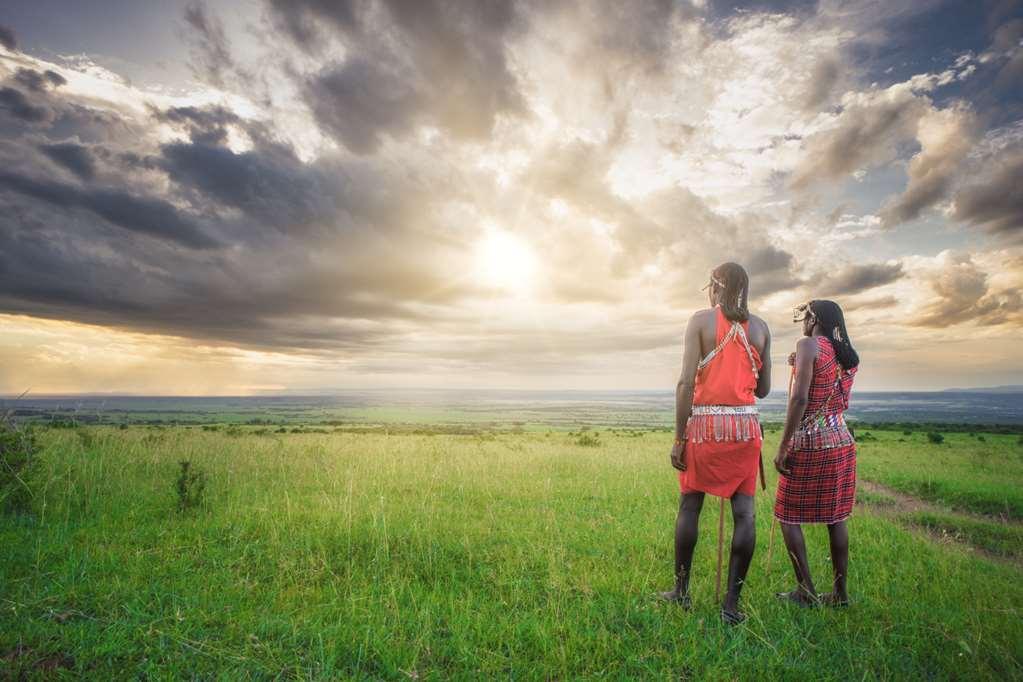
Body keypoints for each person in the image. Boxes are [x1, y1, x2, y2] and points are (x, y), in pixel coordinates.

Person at [660, 262, 772, 625]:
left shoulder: (701, 321)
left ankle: (681, 591)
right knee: (745, 514)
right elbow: (764, 389)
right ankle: (731, 606)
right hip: (744, 429)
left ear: (715, 286)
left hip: (707, 427)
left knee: (690, 506)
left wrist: (679, 437)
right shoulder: (761, 328)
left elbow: (684, 384)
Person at [774, 299, 859, 608]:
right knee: (836, 519)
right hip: (841, 439)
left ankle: (806, 590)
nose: (803, 324)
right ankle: (840, 594)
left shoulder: (808, 345)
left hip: (811, 441)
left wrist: (784, 445)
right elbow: (826, 376)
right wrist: (799, 363)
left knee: (786, 514)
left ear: (813, 318)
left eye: (804, 317)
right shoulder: (847, 355)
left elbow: (799, 399)